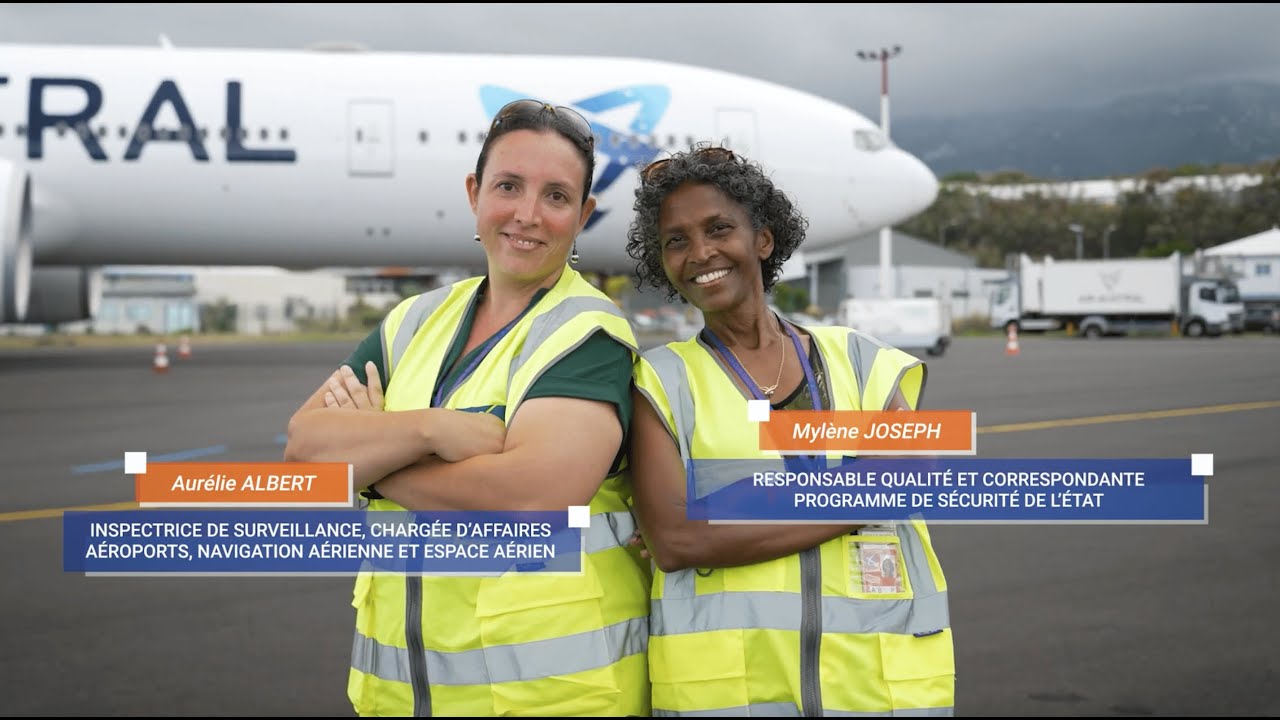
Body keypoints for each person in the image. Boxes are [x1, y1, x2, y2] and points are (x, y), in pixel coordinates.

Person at [284, 100, 650, 717]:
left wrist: (373, 461)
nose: (527, 215)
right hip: (404, 694)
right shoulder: (415, 321)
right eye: (508, 186)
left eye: (556, 196)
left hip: (548, 696)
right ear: (475, 193)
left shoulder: (585, 333)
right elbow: (301, 452)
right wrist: (432, 429)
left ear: (583, 215)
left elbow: (531, 499)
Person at [625, 145, 955, 716]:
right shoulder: (661, 381)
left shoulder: (859, 359)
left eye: (718, 228)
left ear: (764, 240)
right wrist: (857, 494)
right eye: (676, 240)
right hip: (731, 695)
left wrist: (725, 510)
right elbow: (676, 541)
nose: (700, 252)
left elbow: (913, 474)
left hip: (878, 692)